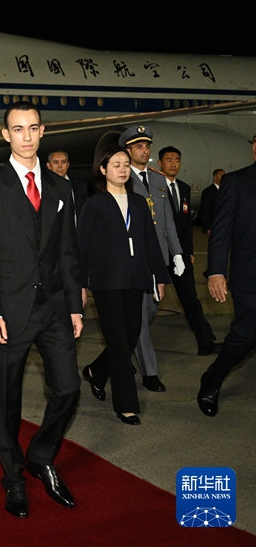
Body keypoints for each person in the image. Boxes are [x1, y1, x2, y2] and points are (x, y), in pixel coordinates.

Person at [0, 101, 82, 518]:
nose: (27, 136)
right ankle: (13, 475)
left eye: (33, 128)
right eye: (18, 129)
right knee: (7, 400)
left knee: (69, 389)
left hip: (53, 307)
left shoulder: (60, 188)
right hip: (9, 311)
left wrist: (74, 306)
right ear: (6, 135)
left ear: (42, 132)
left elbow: (67, 252)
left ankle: (39, 454)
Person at [77, 144, 169, 425]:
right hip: (107, 282)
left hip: (136, 278)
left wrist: (160, 276)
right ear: (103, 170)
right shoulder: (94, 205)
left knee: (129, 336)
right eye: (115, 165)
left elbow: (150, 242)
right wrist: (81, 283)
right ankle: (126, 405)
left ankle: (95, 370)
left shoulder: (139, 202)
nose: (122, 169)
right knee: (119, 342)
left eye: (125, 165)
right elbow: (83, 248)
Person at [119, 126, 185, 392]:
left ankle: (110, 360)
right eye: (138, 147)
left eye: (147, 146)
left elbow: (168, 221)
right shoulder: (121, 180)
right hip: (134, 260)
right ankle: (149, 372)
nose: (144, 151)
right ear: (128, 150)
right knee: (138, 316)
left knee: (148, 311)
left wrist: (177, 252)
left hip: (158, 260)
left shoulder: (158, 180)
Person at [197, 134, 256, 417]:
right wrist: (217, 271)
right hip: (250, 275)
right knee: (245, 336)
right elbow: (220, 231)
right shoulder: (237, 182)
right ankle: (212, 378)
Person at [158, 146, 217, 355]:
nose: (173, 164)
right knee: (146, 306)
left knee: (190, 298)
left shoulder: (183, 188)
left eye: (177, 160)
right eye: (169, 160)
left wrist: (189, 251)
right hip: (159, 255)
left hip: (180, 255)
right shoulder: (153, 188)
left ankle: (205, 341)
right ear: (160, 164)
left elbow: (186, 225)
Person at [46, 150, 89, 219]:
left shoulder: (80, 186)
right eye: (56, 162)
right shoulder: (42, 186)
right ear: (48, 165)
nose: (60, 166)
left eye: (63, 162)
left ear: (68, 165)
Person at [199, 168, 224, 234]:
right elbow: (204, 211)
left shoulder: (226, 191)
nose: (224, 178)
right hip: (214, 226)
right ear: (215, 178)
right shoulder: (208, 192)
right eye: (221, 176)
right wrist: (208, 227)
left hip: (225, 225)